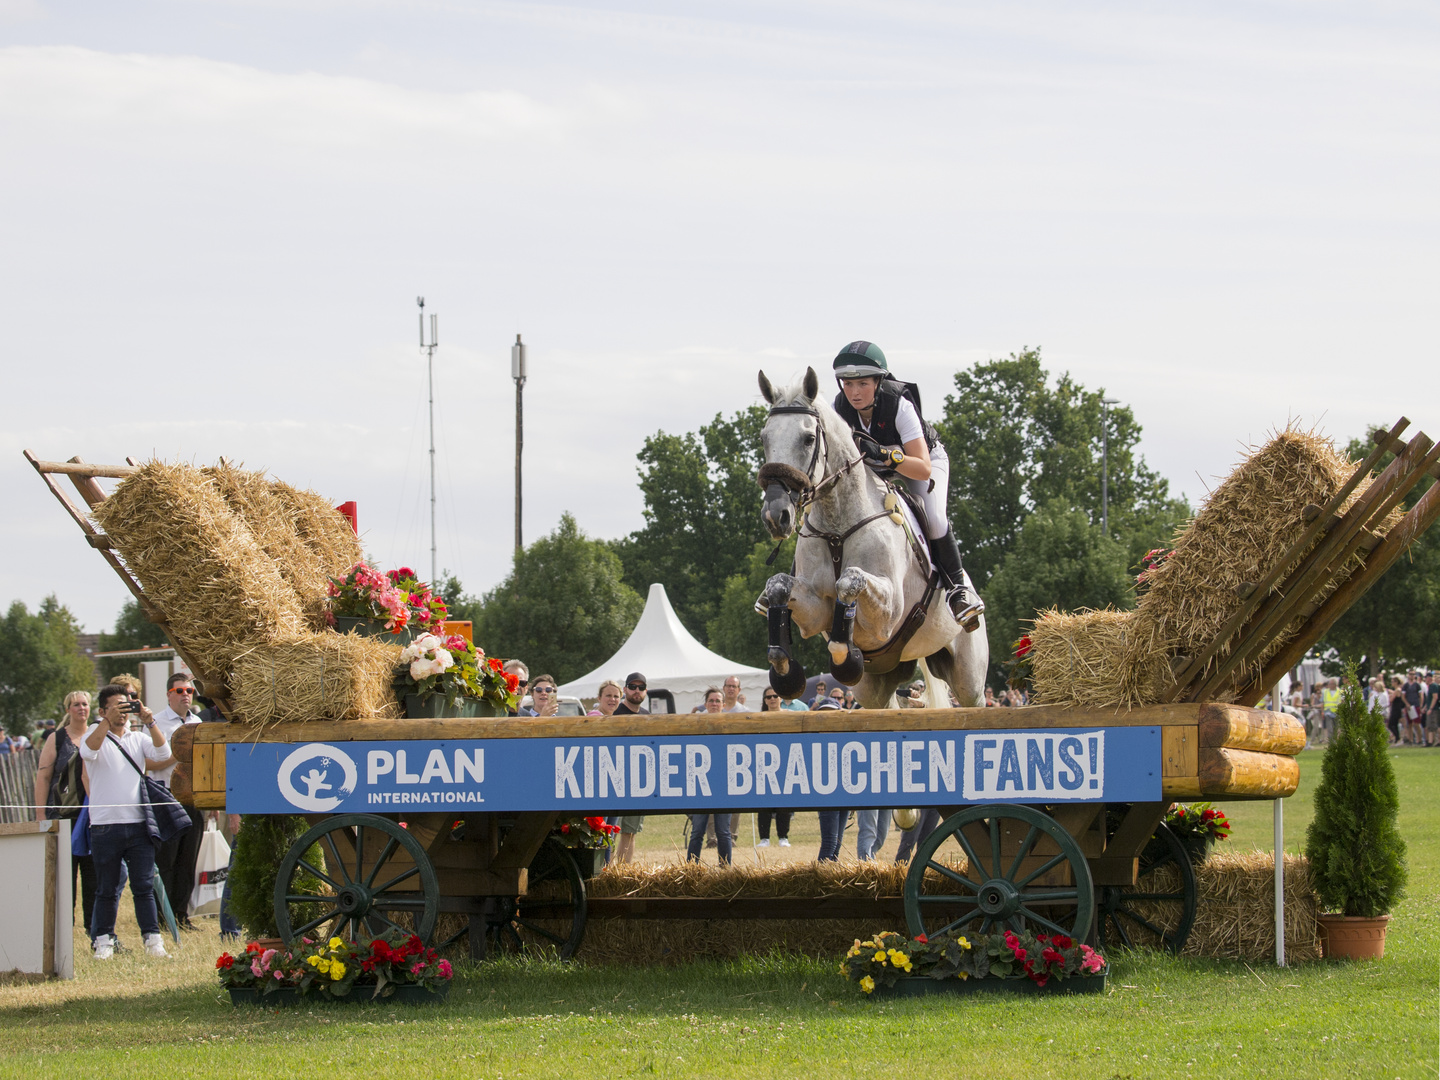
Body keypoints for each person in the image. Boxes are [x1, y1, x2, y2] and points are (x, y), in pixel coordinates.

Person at [830, 340, 983, 629]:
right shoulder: (839, 408)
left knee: (933, 516)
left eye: (862, 383)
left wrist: (886, 455)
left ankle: (958, 590)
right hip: (876, 469)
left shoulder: (898, 403)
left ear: (878, 381)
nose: (854, 392)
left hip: (919, 461)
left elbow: (922, 468)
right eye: (847, 384)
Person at [79, 683, 173, 960]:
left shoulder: (137, 737)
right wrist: (106, 723)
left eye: (128, 705)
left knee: (143, 885)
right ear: (102, 710)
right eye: (118, 706)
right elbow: (88, 752)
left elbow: (162, 754)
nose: (124, 712)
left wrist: (149, 721)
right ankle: (104, 940)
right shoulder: (93, 735)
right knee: (106, 887)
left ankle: (153, 940)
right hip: (105, 825)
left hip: (139, 823)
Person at [33, 690, 100, 939]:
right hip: (62, 816)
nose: (81, 708)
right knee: (65, 876)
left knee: (93, 875)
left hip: (92, 817)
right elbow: (43, 776)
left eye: (84, 704)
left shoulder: (97, 734)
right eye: (75, 704)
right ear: (67, 709)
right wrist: (41, 815)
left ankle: (94, 930)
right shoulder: (57, 738)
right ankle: (63, 932)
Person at [149, 673, 205, 931]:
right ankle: (163, 917)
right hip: (167, 799)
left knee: (188, 861)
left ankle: (182, 915)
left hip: (193, 798)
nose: (185, 695)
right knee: (167, 861)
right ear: (169, 694)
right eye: (180, 690)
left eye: (189, 691)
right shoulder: (156, 723)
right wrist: (178, 753)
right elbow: (147, 763)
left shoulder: (198, 723)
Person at [610, 673, 649, 863]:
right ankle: (604, 870)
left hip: (638, 781)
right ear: (625, 689)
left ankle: (624, 873)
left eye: (641, 688)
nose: (637, 691)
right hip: (614, 778)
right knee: (610, 829)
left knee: (630, 831)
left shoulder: (648, 717)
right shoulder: (615, 713)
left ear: (645, 691)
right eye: (632, 687)